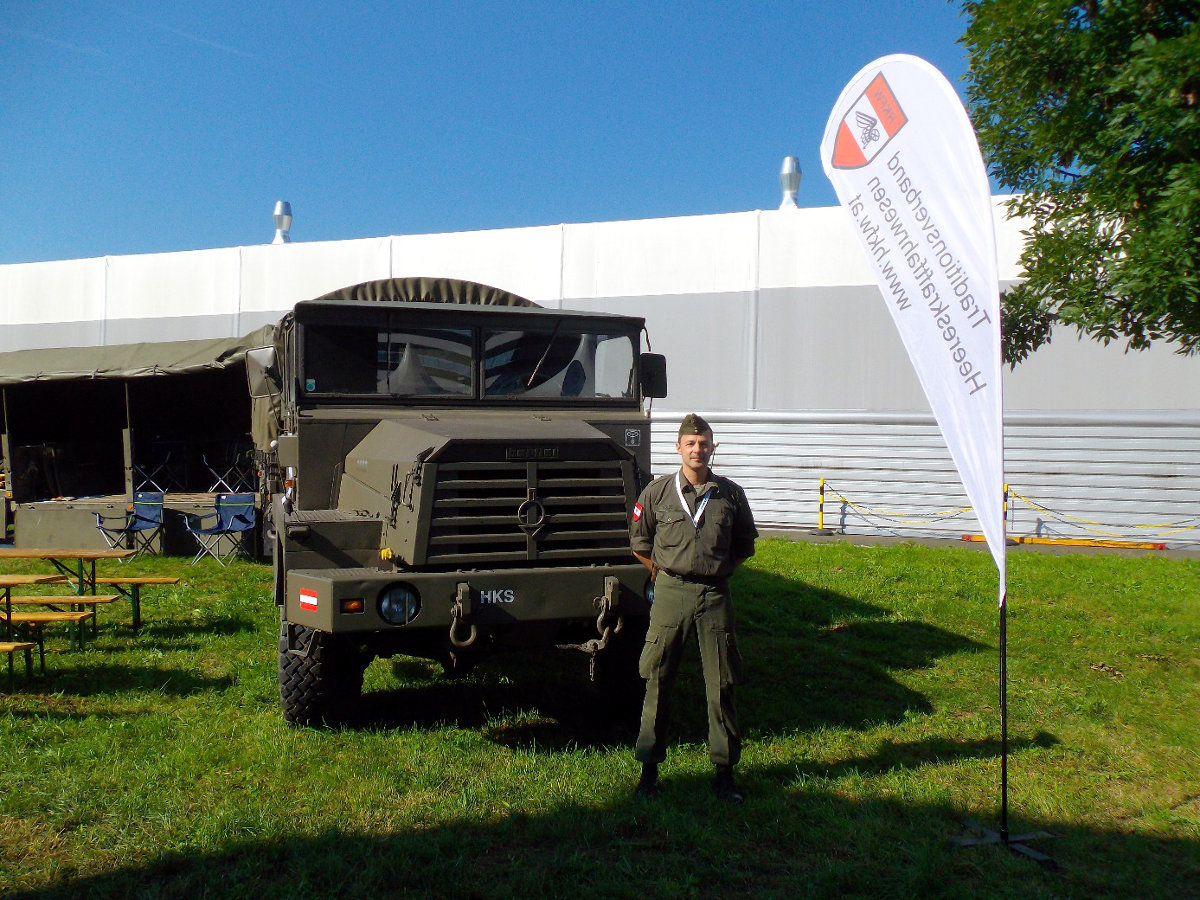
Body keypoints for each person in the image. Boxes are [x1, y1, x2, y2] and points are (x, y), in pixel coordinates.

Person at [629, 413, 757, 801]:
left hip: (715, 596)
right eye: (690, 444)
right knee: (658, 679)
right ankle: (649, 772)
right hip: (670, 593)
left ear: (712, 448)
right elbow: (639, 543)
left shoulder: (730, 494)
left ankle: (724, 773)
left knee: (722, 683)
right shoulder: (657, 493)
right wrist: (665, 574)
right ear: (679, 447)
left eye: (704, 444)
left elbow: (744, 547)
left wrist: (715, 573)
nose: (697, 450)